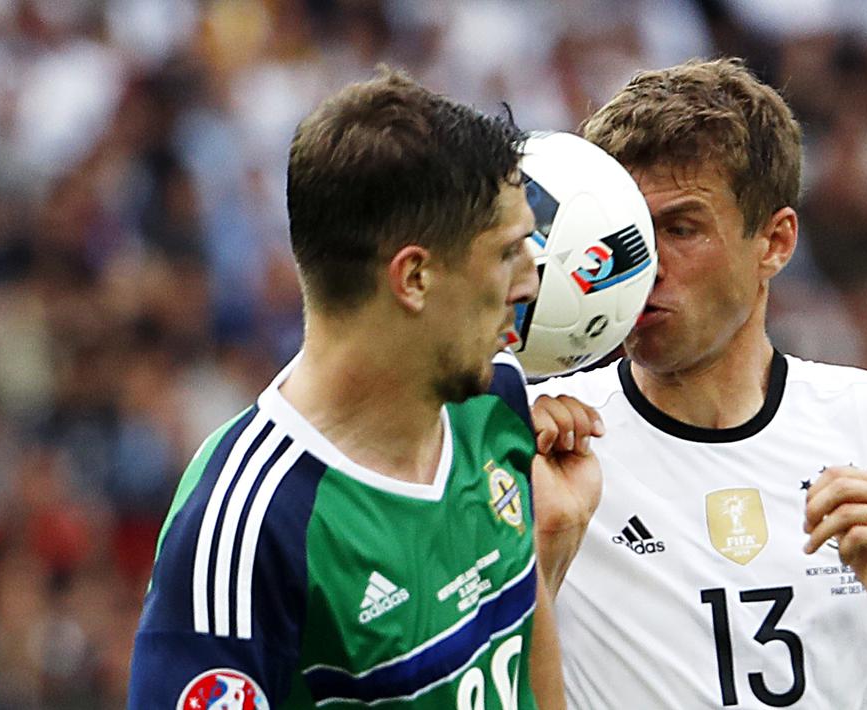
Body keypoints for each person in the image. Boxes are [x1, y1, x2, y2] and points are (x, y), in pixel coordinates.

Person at [528, 58, 867, 709]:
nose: (644, 267)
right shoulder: (544, 449)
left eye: (681, 229)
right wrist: (539, 559)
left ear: (774, 242)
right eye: (627, 235)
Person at [128, 68, 572, 710]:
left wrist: (547, 560)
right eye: (508, 253)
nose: (530, 280)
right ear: (414, 277)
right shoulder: (249, 528)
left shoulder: (495, 404)